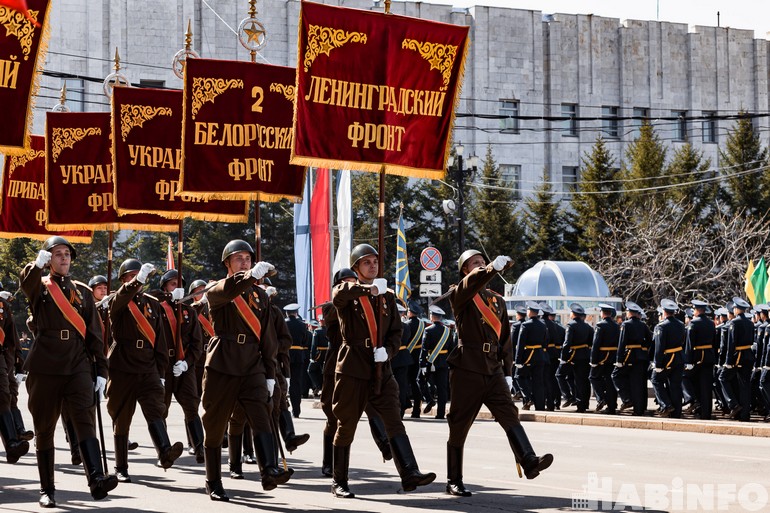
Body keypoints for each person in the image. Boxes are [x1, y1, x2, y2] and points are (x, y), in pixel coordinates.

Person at [331, 244, 435, 498]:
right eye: (366, 262)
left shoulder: (387, 296)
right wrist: (369, 288)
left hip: (381, 367)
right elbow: (339, 294)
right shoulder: (348, 292)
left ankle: (410, 472)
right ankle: (339, 481)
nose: (373, 265)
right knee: (346, 425)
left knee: (393, 419)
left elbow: (397, 332)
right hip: (354, 366)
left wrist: (388, 351)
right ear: (356, 268)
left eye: (375, 261)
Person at [20, 236, 118, 507]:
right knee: (45, 427)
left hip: (77, 363)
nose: (63, 258)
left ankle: (96, 479)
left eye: (67, 254)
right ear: (49, 258)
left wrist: (101, 370)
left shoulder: (83, 291)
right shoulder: (40, 286)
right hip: (45, 364)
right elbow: (25, 285)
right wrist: (34, 266)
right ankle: (47, 489)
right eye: (57, 253)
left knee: (85, 420)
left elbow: (95, 334)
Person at [446, 250, 552, 498]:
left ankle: (529, 461)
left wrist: (507, 371)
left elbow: (505, 339)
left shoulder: (497, 301)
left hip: (492, 368)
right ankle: (454, 480)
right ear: (465, 269)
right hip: (468, 368)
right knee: (459, 426)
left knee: (509, 414)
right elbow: (472, 283)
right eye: (475, 263)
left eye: (483, 261)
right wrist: (491, 268)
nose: (481, 265)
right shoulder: (461, 292)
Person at [200, 240, 290, 501]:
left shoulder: (260, 295)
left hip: (252, 364)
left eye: (248, 259)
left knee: (262, 416)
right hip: (223, 364)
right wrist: (250, 276)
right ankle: (213, 480)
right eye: (238, 258)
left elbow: (268, 338)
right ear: (227, 263)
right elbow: (228, 290)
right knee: (215, 425)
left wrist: (270, 374)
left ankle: (269, 470)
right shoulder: (216, 289)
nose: (244, 262)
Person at [106, 259, 184, 483]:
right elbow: (122, 298)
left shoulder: (152, 304)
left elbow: (160, 339)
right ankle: (121, 466)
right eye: (130, 277)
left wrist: (160, 371)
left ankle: (165, 451)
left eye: (139, 276)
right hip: (123, 366)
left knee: (155, 409)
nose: (136, 281)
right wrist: (134, 283)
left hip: (148, 366)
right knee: (122, 417)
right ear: (123, 280)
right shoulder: (117, 300)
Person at [151, 269, 205, 464]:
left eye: (179, 284)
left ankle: (199, 448)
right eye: (172, 284)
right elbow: (148, 296)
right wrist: (167, 296)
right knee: (160, 408)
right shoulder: (156, 308)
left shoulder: (189, 312)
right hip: (163, 366)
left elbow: (197, 344)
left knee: (192, 406)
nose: (177, 288)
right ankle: (163, 452)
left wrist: (186, 363)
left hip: (183, 366)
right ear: (165, 286)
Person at [0, 285, 28, 464]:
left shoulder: (2, 306)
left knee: (3, 396)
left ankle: (11, 443)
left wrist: (18, 365)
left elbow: (12, 338)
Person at [612, 301, 652, 416]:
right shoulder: (643, 324)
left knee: (616, 375)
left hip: (629, 356)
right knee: (638, 383)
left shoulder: (626, 324)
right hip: (641, 356)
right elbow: (649, 341)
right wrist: (642, 348)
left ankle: (627, 399)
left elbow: (622, 342)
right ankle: (638, 409)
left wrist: (619, 359)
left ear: (629, 313)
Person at [719, 297, 754, 421]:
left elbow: (731, 343)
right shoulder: (750, 323)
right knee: (745, 385)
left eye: (734, 308)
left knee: (722, 378)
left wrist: (728, 361)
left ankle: (733, 404)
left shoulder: (734, 322)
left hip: (738, 356)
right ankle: (745, 414)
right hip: (748, 355)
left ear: (737, 309)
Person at [651, 298, 686, 418]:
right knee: (675, 385)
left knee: (655, 379)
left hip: (667, 358)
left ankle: (665, 405)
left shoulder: (661, 326)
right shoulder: (681, 324)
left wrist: (658, 364)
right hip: (679, 357)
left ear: (664, 311)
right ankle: (676, 412)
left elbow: (659, 347)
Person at [683, 299, 716, 419]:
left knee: (692, 382)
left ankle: (697, 407)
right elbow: (714, 341)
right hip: (709, 356)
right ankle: (706, 413)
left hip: (697, 357)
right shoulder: (711, 323)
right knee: (706, 386)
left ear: (697, 310)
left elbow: (689, 344)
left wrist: (688, 361)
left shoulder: (693, 323)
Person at [559, 303, 593, 413]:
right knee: (584, 381)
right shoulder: (588, 326)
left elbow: (567, 343)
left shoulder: (571, 325)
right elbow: (591, 342)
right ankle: (585, 403)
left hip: (574, 356)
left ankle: (579, 404)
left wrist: (564, 357)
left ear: (573, 314)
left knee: (575, 380)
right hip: (585, 355)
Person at [514, 301, 548, 411]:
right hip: (540, 356)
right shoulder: (543, 325)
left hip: (528, 356)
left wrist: (517, 360)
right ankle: (540, 407)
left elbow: (521, 343)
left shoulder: (525, 325)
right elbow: (545, 342)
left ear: (529, 312)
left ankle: (528, 398)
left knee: (519, 377)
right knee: (538, 382)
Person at [419, 306, 452, 419]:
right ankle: (440, 413)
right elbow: (451, 349)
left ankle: (429, 399)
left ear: (432, 317)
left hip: (430, 361)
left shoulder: (428, 330)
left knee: (420, 380)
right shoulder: (448, 331)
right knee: (442, 388)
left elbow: (424, 349)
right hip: (443, 362)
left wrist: (422, 364)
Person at [589, 304, 620, 414]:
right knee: (610, 381)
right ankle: (612, 406)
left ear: (602, 313)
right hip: (613, 356)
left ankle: (601, 398)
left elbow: (596, 344)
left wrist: (593, 360)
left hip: (602, 357)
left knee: (593, 377)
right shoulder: (617, 326)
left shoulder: (600, 325)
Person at [285, 304, 311, 418]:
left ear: (286, 313)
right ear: (296, 313)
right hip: (299, 356)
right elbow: (305, 340)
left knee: (283, 382)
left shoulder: (284, 323)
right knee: (296, 383)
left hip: (285, 355)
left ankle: (283, 409)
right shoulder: (302, 325)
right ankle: (296, 411)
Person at [404, 301, 425, 418]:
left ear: (410, 312)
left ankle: (406, 402)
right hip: (418, 356)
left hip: (408, 355)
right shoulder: (423, 324)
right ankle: (416, 409)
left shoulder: (407, 325)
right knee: (415, 382)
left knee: (404, 382)